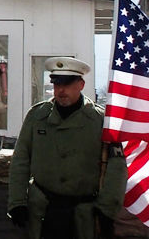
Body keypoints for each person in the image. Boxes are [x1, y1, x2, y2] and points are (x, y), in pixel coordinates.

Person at [7, 57, 128, 239]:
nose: (61, 90)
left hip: (84, 214)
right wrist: (17, 202)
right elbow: (21, 160)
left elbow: (116, 168)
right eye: (57, 84)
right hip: (42, 209)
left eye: (68, 84)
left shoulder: (101, 121)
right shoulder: (37, 116)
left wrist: (107, 209)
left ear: (81, 84)